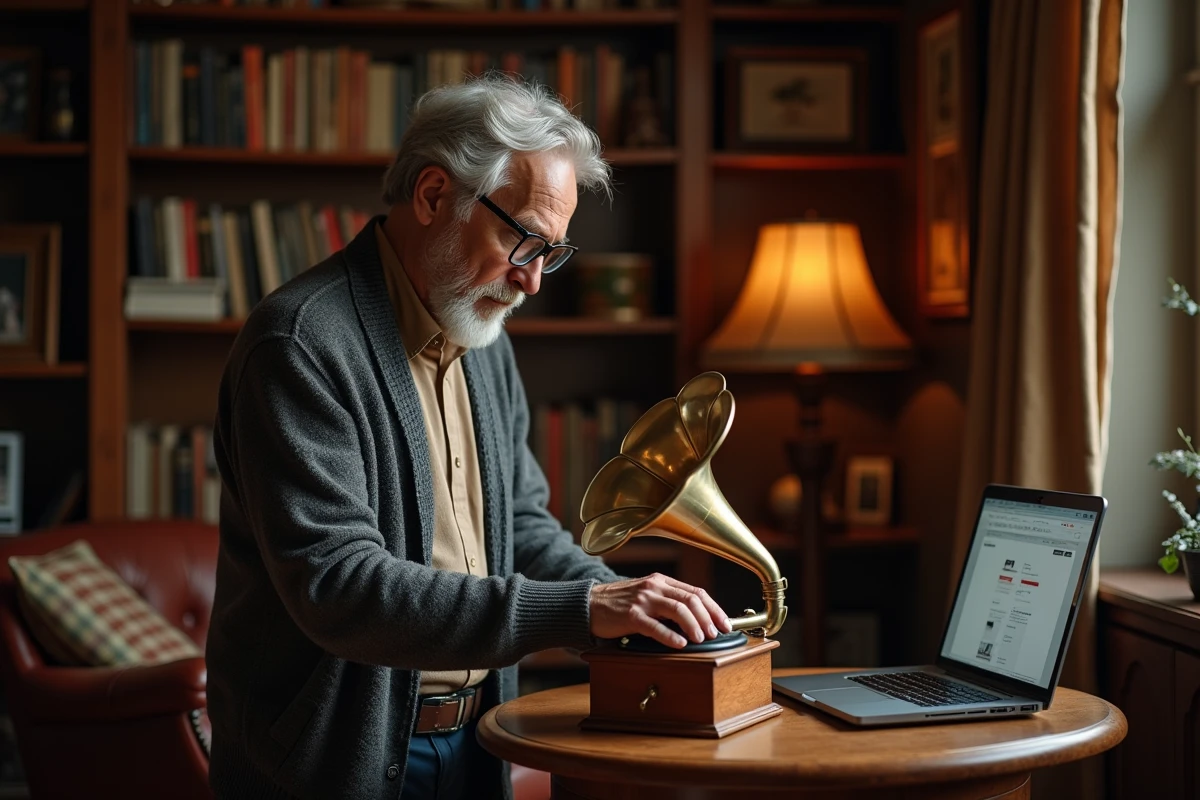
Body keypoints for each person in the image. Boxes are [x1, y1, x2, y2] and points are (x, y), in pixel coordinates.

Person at [206, 75, 732, 800]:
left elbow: (520, 525)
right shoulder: (299, 344)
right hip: (326, 763)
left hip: (478, 740)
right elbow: (339, 585)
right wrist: (584, 611)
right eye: (524, 240)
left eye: (552, 251)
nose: (534, 282)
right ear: (433, 196)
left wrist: (626, 602)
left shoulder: (482, 334)